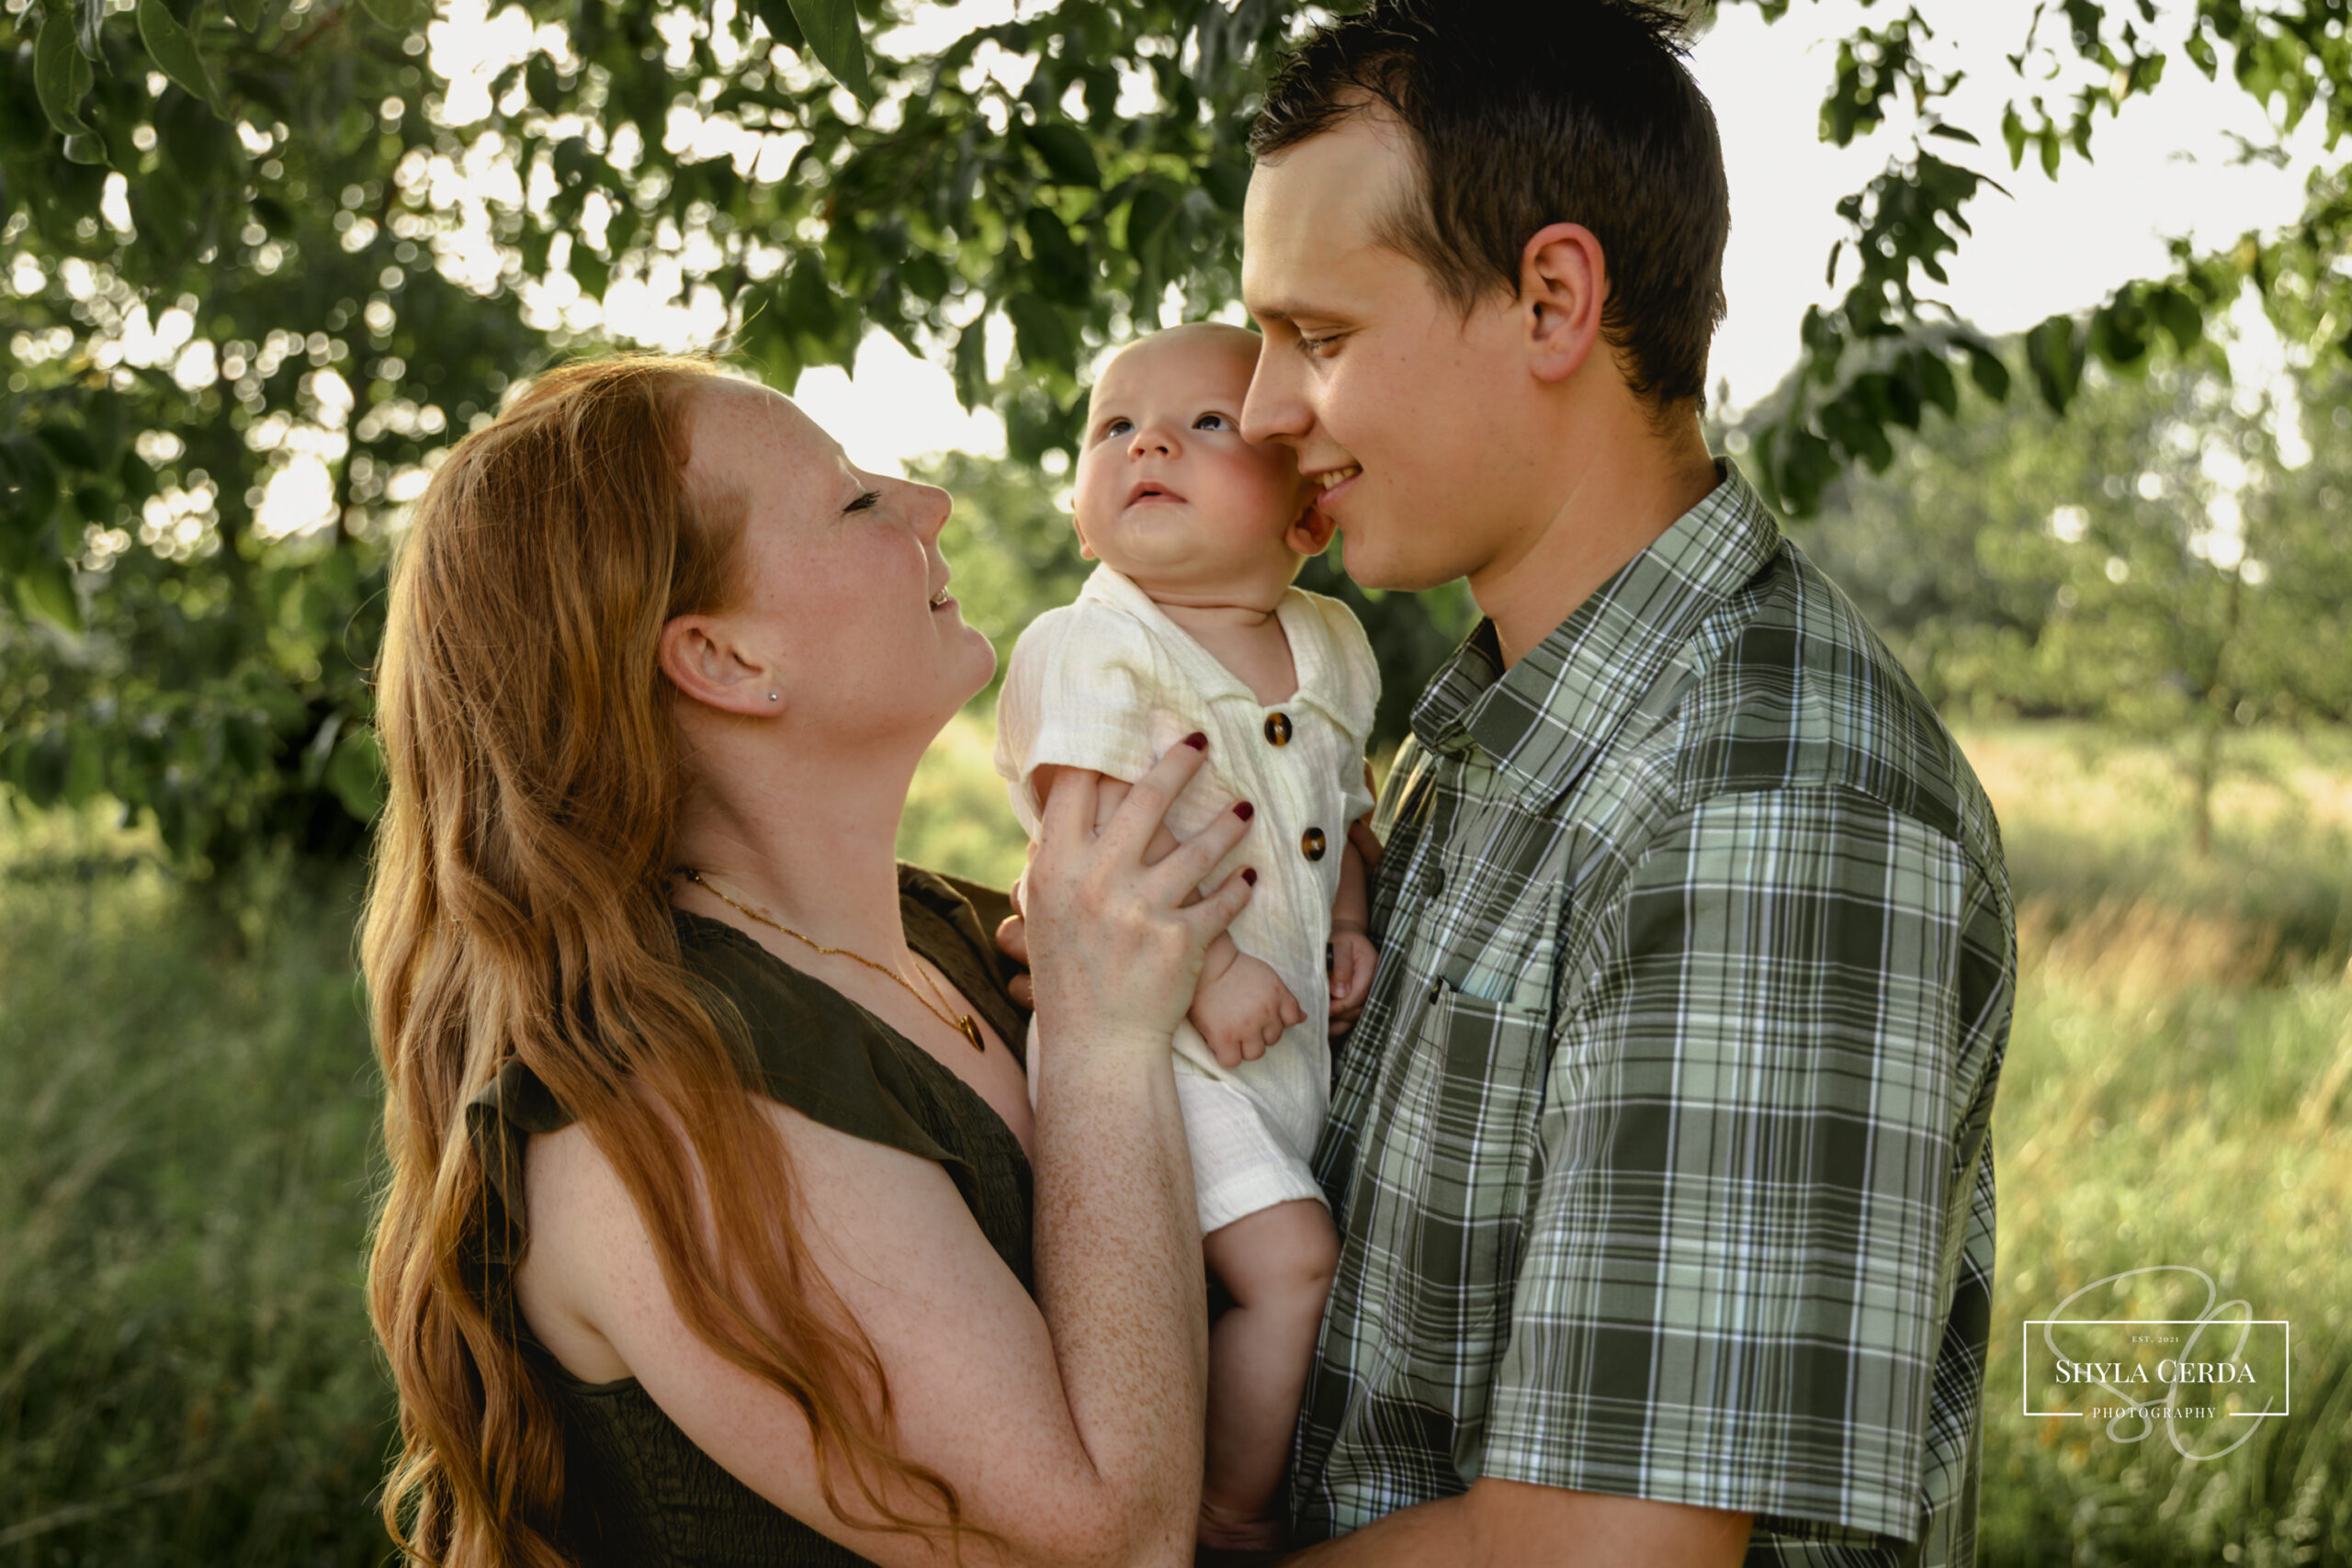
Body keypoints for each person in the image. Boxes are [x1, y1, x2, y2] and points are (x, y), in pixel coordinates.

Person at [1230, 1, 2017, 1562]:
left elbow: (1601, 1554)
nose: (1259, 413)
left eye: (1317, 339)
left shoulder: (1772, 809)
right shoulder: (1499, 731)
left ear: (1551, 301)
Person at [362, 354, 1260, 1567]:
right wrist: (1107, 1045)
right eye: (853, 499)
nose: (928, 504)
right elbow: (1106, 1547)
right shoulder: (661, 1107)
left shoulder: (955, 936)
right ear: (726, 661)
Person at [991, 323, 1382, 1552]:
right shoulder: (1097, 644)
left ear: (1308, 515)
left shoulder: (1331, 646)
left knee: (1276, 1269)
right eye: (1114, 428)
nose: (1149, 440)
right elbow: (1086, 857)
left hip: (1278, 1056)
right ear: (1082, 511)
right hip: (1151, 1047)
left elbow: (1343, 817)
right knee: (1296, 1271)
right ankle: (1225, 1515)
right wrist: (1207, 972)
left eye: (1209, 422)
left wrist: (1351, 926)